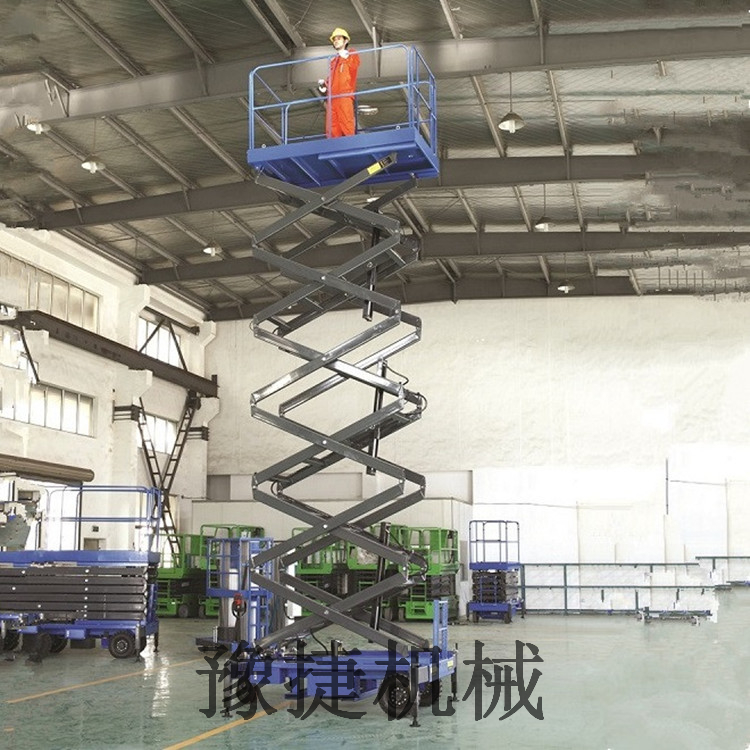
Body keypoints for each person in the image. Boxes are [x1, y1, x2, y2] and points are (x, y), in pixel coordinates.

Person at [317, 27, 360, 137]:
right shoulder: (333, 61)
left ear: (346, 41)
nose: (336, 41)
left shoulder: (352, 54)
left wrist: (345, 58)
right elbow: (332, 79)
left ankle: (351, 145)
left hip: (344, 96)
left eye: (339, 38)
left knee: (347, 126)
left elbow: (354, 67)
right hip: (332, 99)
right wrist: (324, 86)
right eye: (334, 39)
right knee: (332, 129)